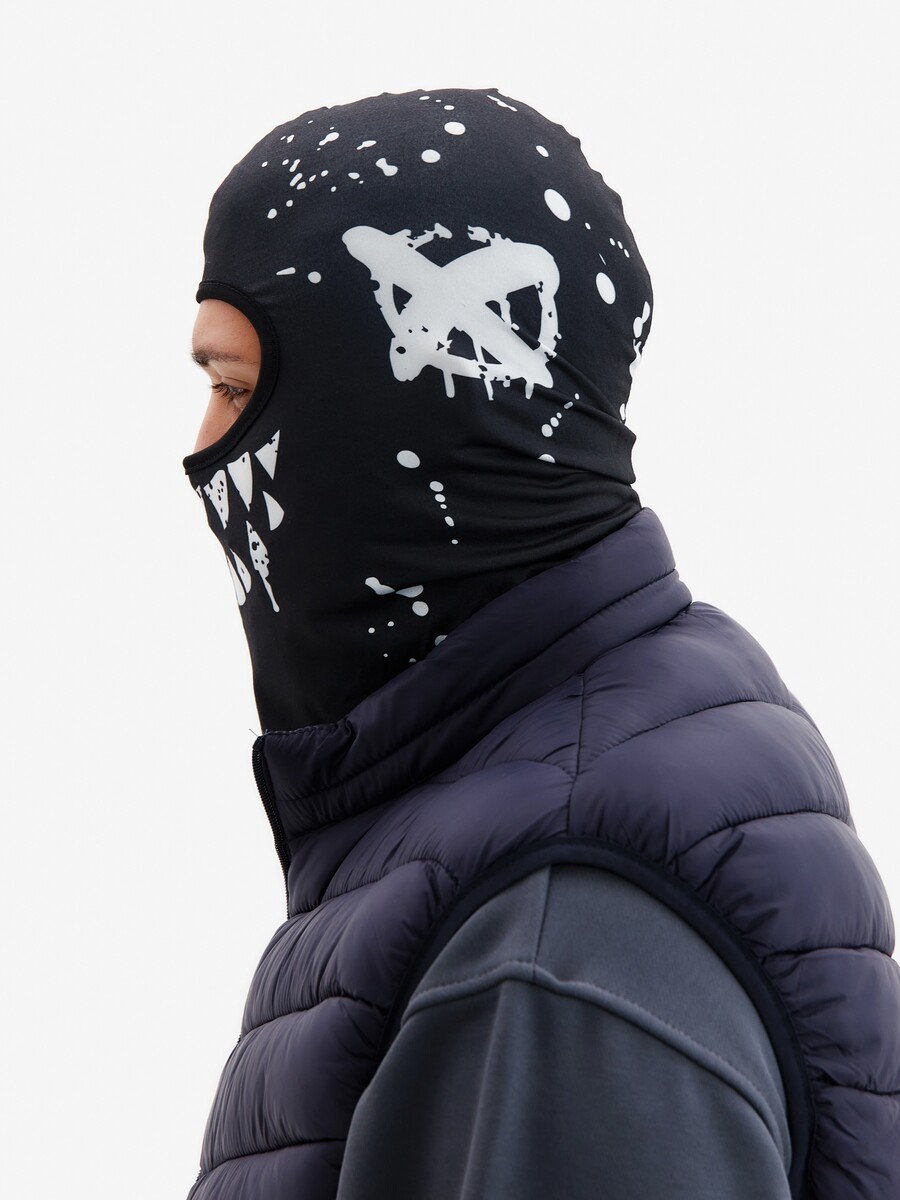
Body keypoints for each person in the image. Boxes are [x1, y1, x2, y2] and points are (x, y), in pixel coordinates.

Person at [181, 87, 899, 1199]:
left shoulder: (560, 934)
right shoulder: (551, 779)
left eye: (237, 387)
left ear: (414, 402)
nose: (203, 448)